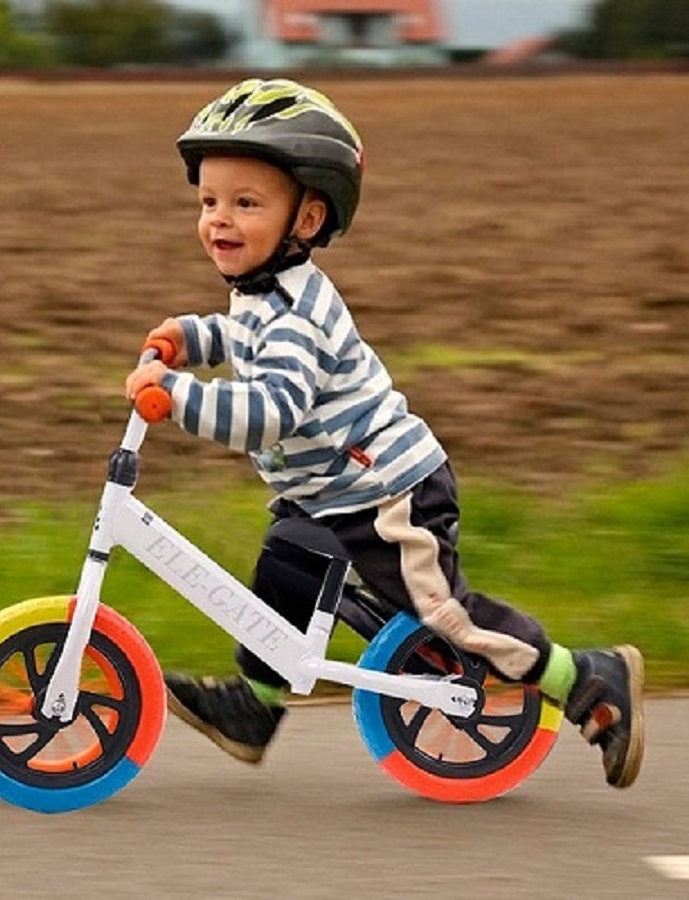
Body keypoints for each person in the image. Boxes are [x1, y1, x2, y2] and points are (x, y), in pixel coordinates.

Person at [124, 78, 645, 789]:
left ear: (307, 218)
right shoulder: (262, 294)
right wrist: (190, 337)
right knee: (287, 567)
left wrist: (174, 396)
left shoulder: (298, 315)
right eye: (209, 201)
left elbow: (270, 409)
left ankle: (588, 677)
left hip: (388, 493)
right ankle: (256, 705)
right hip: (329, 492)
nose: (219, 219)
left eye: (246, 203)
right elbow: (241, 336)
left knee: (446, 616)